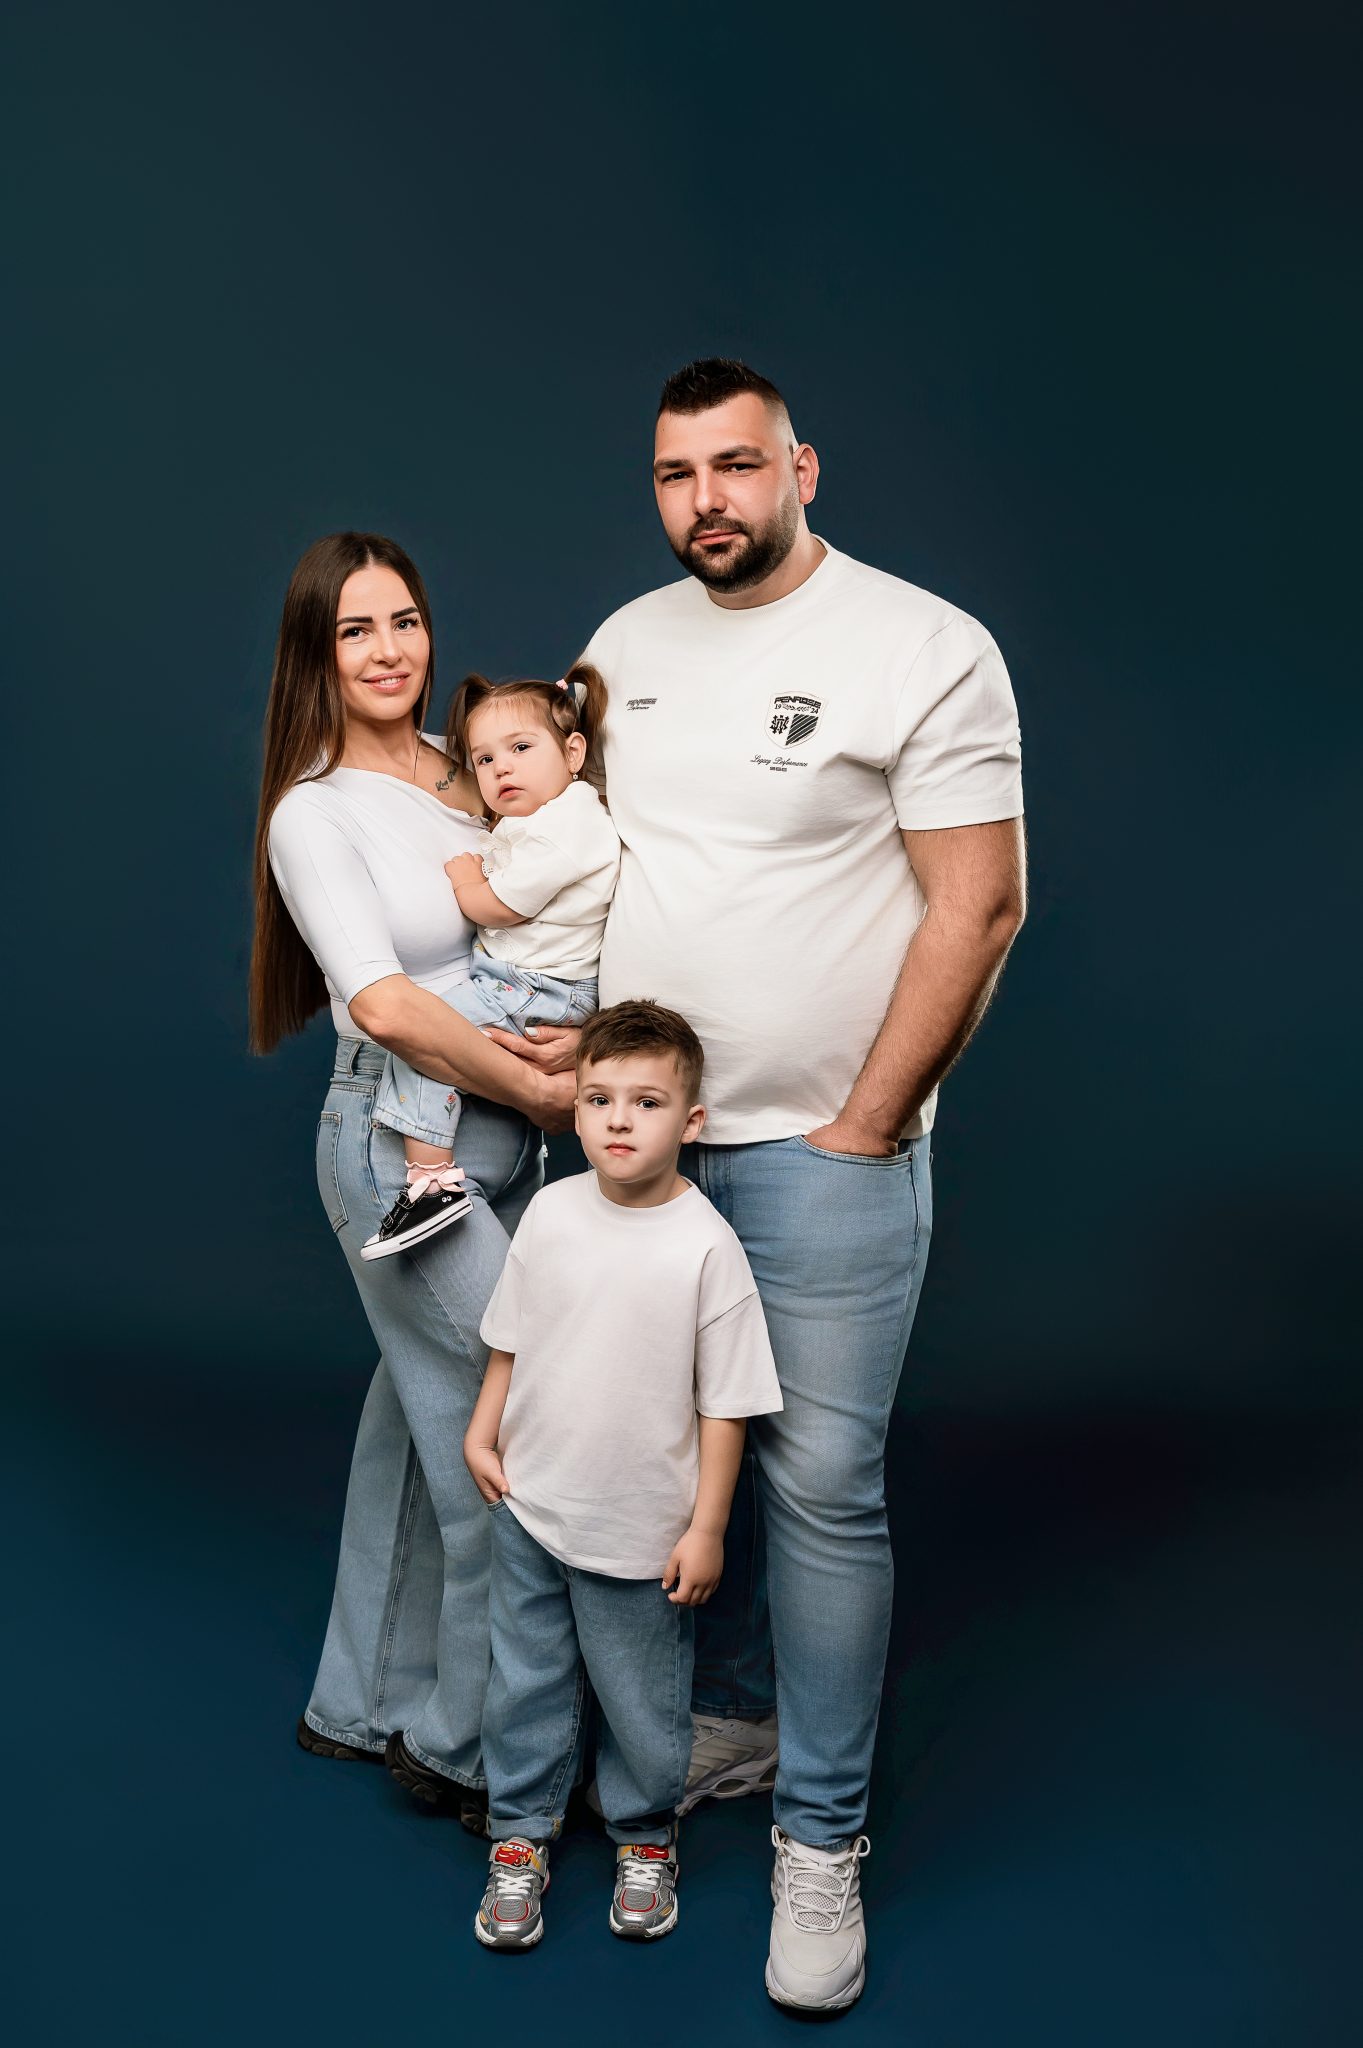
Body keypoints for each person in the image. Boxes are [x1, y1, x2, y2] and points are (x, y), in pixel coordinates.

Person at [490, 360, 1027, 2009]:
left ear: (800, 466)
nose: (704, 498)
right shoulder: (626, 643)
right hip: (644, 1151)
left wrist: (866, 1122)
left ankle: (819, 1838)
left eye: (735, 466)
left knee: (814, 1485)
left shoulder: (921, 646)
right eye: (673, 474)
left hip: (817, 1150)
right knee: (662, 1448)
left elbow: (978, 903)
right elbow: (572, 849)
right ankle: (728, 1718)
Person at [251, 531, 577, 1830]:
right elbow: (382, 1003)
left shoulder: (468, 769)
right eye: (354, 631)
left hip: (500, 1139)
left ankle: (360, 1701)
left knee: (413, 1413)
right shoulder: (313, 810)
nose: (389, 651)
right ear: (315, 657)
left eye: (405, 621)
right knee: (501, 1439)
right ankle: (464, 1741)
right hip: (400, 1151)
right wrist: (543, 1088)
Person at [463, 1001, 783, 1950]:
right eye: (598, 1097)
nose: (615, 1120)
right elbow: (511, 1336)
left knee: (641, 1695)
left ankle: (645, 1834)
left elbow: (724, 1403)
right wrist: (484, 1433)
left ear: (689, 1123)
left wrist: (707, 1526)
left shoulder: (705, 1248)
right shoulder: (555, 1211)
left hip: (640, 1525)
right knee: (523, 1680)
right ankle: (519, 1837)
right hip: (530, 1499)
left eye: (644, 1102)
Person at [360, 662, 619, 1260]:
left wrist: (464, 877)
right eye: (483, 759)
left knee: (428, 1034)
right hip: (528, 983)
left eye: (521, 748)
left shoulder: (566, 826)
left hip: (539, 988)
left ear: (573, 752)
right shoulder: (542, 820)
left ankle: (431, 1180)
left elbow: (500, 908)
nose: (501, 768)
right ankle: (437, 1171)